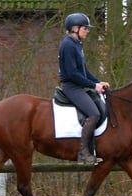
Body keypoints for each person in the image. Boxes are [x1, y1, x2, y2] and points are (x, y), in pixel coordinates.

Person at [58, 12, 110, 165]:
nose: (87, 31)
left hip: (79, 86)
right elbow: (73, 74)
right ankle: (83, 153)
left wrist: (99, 82)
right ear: (75, 28)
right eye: (85, 28)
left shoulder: (77, 44)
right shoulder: (68, 45)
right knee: (93, 113)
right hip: (71, 87)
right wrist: (94, 86)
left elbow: (84, 71)